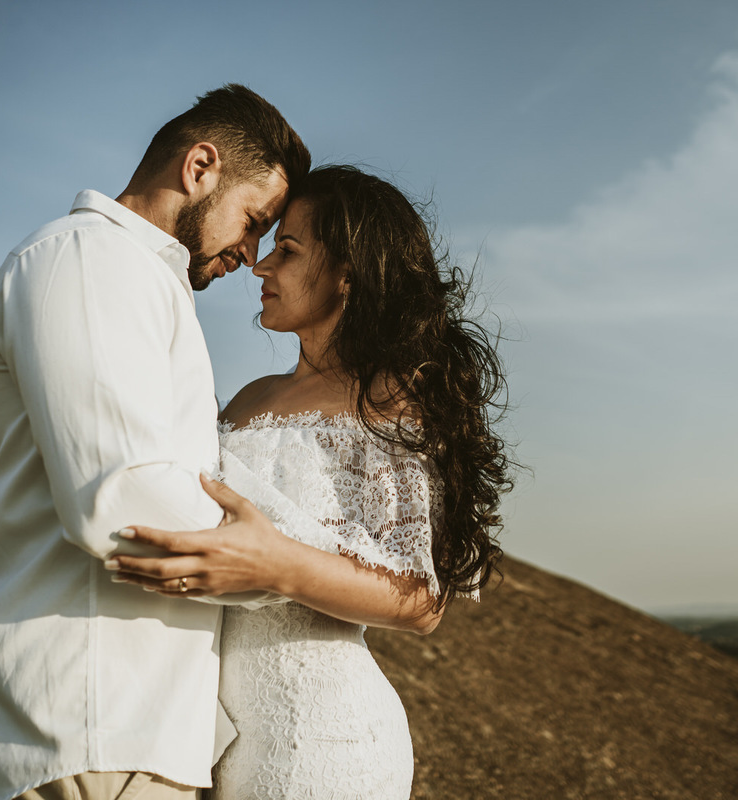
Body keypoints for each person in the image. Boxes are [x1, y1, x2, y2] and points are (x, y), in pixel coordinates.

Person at [0, 85, 310, 800]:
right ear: (200, 167)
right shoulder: (89, 260)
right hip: (86, 726)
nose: (252, 254)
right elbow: (119, 498)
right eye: (254, 220)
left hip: (116, 729)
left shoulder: (132, 277)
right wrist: (291, 568)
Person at [109, 165, 514, 799]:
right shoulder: (248, 399)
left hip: (321, 737)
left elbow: (420, 600)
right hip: (209, 734)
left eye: (287, 250)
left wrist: (279, 566)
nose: (260, 267)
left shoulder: (390, 402)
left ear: (348, 274)